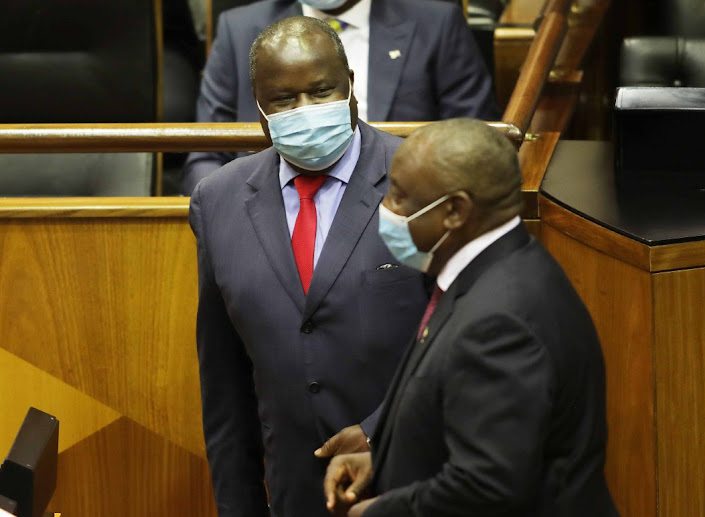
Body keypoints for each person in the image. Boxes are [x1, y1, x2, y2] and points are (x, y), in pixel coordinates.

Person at [188, 16, 429, 517]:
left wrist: (379, 430)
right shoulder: (218, 201)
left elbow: (466, 344)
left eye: (322, 91)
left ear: (351, 87)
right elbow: (225, 387)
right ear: (258, 106)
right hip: (294, 495)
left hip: (416, 486)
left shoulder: (424, 182)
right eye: (284, 100)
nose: (307, 111)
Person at [323, 118, 619, 517]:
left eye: (399, 196)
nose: (385, 208)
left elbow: (488, 486)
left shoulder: (500, 322)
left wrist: (375, 513)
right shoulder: (493, 270)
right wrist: (385, 460)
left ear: (454, 212)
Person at [182, 0, 500, 194]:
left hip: (402, 205)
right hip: (271, 205)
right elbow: (205, 154)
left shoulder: (437, 24)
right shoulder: (239, 28)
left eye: (320, 92)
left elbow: (475, 144)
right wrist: (237, 209)